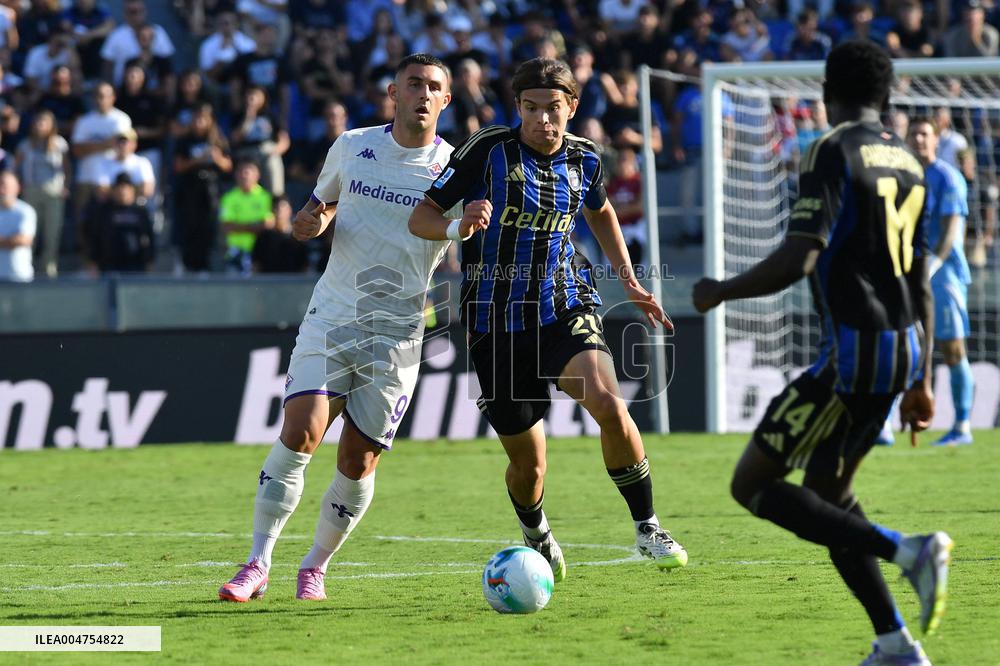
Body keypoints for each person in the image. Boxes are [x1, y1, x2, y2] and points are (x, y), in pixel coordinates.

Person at [691, 41, 952, 666]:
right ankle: (894, 643)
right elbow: (921, 280)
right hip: (899, 350)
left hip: (853, 353)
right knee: (830, 496)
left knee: (752, 483)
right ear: (887, 97)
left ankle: (907, 550)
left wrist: (720, 290)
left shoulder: (832, 149)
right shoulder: (913, 163)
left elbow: (801, 255)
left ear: (826, 94)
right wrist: (921, 375)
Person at [408, 57, 687, 580]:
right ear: (517, 108)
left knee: (608, 402)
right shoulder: (488, 150)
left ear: (572, 108)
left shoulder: (585, 158)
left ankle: (648, 525)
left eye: (552, 109)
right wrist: (457, 227)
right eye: (530, 109)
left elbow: (600, 211)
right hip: (494, 321)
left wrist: (627, 277)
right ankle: (536, 531)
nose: (542, 120)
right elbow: (421, 216)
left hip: (564, 303)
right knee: (528, 463)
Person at [218, 53, 459, 603]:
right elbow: (319, 206)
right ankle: (257, 561)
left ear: (447, 101)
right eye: (413, 84)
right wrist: (311, 222)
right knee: (301, 430)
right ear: (393, 94)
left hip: (398, 332)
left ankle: (315, 565)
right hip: (333, 314)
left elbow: (465, 231)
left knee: (357, 460)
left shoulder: (454, 169)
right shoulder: (352, 145)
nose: (423, 94)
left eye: (434, 87)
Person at [907, 118, 975, 447]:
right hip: (908, 273)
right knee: (905, 349)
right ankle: (885, 428)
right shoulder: (904, 178)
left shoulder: (948, 177)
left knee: (952, 349)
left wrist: (931, 265)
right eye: (914, 135)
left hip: (944, 275)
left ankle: (962, 425)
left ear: (936, 140)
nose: (919, 140)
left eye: (925, 134)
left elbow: (951, 231)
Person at [85, 173, 155, 273]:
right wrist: (93, 262)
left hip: (136, 265)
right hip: (109, 266)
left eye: (126, 187)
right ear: (113, 190)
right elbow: (94, 237)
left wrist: (150, 260)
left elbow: (149, 237)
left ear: (132, 190)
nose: (122, 191)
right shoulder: (104, 211)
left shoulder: (140, 212)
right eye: (119, 187)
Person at [219, 159, 273, 274]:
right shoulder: (229, 198)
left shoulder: (266, 198)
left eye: (247, 172)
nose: (244, 176)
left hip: (261, 252)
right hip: (236, 252)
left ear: (257, 175)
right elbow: (226, 227)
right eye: (240, 172)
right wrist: (254, 226)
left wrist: (239, 226)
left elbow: (268, 225)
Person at [0, 172, 37, 283]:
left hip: (20, 277)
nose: (1, 190)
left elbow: (23, 240)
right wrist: (9, 240)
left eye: (4, 185)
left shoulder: (25, 211)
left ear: (17, 188)